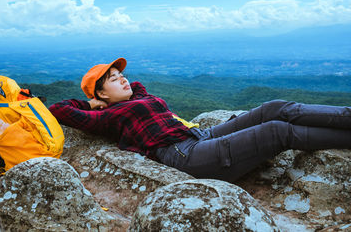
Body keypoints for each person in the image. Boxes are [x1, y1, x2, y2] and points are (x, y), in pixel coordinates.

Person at [49, 58, 351, 182]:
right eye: (113, 80)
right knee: (276, 132)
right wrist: (92, 102)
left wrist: (115, 90)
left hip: (199, 137)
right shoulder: (108, 117)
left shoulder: (138, 96)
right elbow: (60, 109)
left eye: (122, 75)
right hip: (185, 155)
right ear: (101, 95)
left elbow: (137, 86)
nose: (124, 80)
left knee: (273, 107)